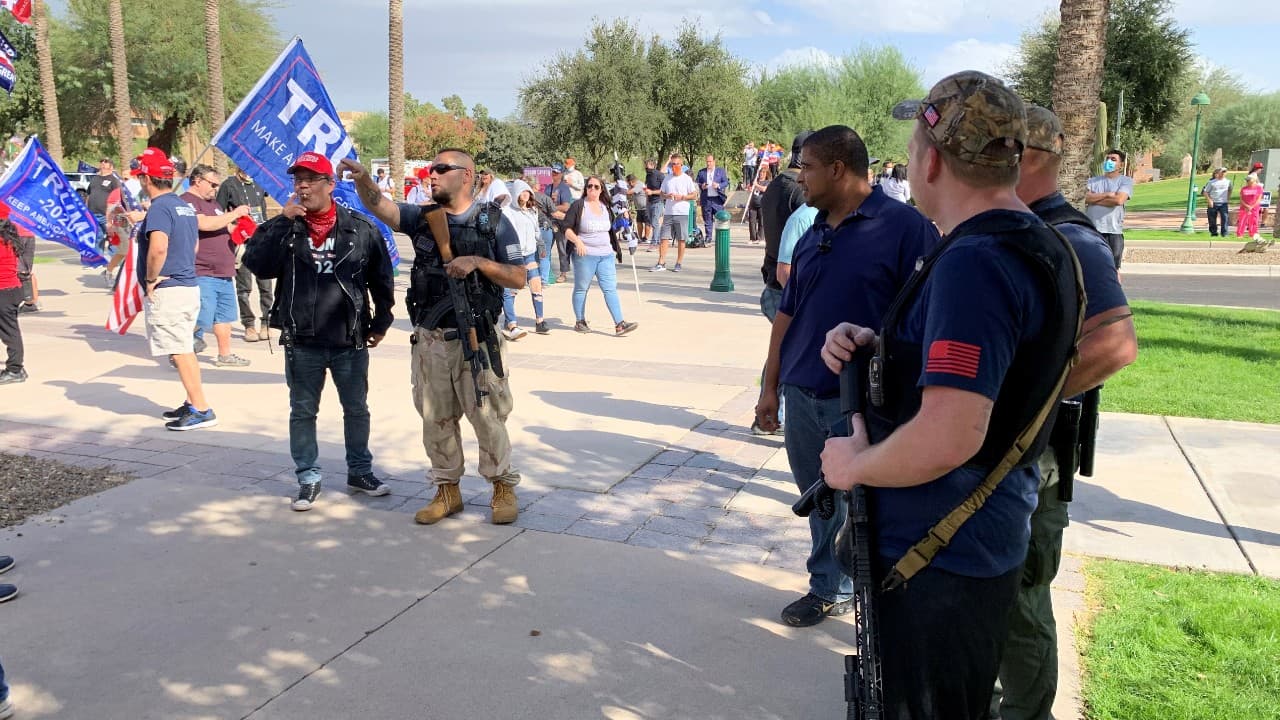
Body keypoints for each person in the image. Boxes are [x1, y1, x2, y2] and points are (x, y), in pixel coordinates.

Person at [819, 71, 1082, 719]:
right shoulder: (1038, 242)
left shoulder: (977, 261)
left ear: (931, 160)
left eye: (911, 147)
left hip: (938, 558)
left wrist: (853, 467)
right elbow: (1003, 369)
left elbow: (952, 433)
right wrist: (885, 346)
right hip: (965, 546)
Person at [753, 125, 939, 629]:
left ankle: (877, 595)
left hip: (860, 401)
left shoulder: (905, 228)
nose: (799, 176)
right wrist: (770, 387)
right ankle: (827, 588)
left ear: (837, 169)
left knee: (867, 505)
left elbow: (925, 318)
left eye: (806, 166)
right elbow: (787, 316)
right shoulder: (814, 230)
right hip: (801, 391)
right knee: (819, 501)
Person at [991, 104, 1137, 720]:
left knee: (1021, 599)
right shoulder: (1013, 229)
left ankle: (1027, 712)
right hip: (1007, 450)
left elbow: (1114, 346)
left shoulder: (1070, 238)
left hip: (1037, 456)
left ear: (1027, 159)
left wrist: (1019, 401)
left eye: (993, 150)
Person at [344, 149, 527, 526]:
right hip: (431, 340)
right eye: (431, 169)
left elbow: (519, 277)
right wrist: (363, 178)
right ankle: (447, 491)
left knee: (488, 416)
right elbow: (382, 208)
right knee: (435, 419)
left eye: (442, 169)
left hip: (477, 338)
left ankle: (502, 487)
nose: (433, 175)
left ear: (466, 176)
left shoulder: (492, 221)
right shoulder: (423, 217)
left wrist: (477, 263)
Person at [243, 152, 395, 512]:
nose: (303, 186)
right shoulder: (286, 227)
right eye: (298, 180)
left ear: (330, 185)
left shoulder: (360, 228)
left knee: (356, 409)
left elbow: (382, 279)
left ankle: (360, 472)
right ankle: (308, 478)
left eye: (312, 179)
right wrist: (281, 223)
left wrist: (382, 322)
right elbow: (257, 265)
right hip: (302, 340)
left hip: (349, 338)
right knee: (302, 411)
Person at [135, 148, 218, 431]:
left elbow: (158, 247)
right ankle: (192, 402)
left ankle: (201, 408)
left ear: (146, 178)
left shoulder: (159, 207)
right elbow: (193, 245)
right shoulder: (183, 205)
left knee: (179, 350)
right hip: (187, 283)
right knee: (184, 348)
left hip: (170, 288)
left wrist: (150, 279)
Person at [183, 164, 252, 367]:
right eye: (212, 184)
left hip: (223, 271)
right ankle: (183, 354)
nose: (215, 189)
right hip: (203, 270)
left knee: (224, 316)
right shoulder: (187, 202)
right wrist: (235, 213)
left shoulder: (213, 203)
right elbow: (204, 224)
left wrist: (242, 228)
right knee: (200, 316)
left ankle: (225, 354)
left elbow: (225, 226)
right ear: (197, 181)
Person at [564, 175, 638, 336]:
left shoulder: (606, 207)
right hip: (585, 255)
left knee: (610, 289)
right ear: (585, 188)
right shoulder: (578, 206)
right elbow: (567, 228)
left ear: (601, 189)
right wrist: (577, 242)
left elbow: (612, 227)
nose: (592, 189)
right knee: (581, 288)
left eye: (596, 187)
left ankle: (620, 324)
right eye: (589, 186)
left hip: (606, 255)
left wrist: (623, 220)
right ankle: (580, 320)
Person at [217, 165, 274, 343]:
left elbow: (262, 210)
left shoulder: (259, 184)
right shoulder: (229, 184)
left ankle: (266, 322)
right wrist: (230, 225)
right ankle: (249, 324)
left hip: (261, 241)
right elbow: (219, 211)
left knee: (266, 286)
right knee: (244, 287)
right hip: (241, 241)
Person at [499, 179, 546, 338]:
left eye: (528, 192)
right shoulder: (509, 211)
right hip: (514, 254)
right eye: (522, 191)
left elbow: (536, 231)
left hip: (530, 253)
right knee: (512, 289)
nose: (525, 195)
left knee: (536, 285)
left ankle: (540, 320)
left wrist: (541, 245)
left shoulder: (533, 210)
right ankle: (510, 320)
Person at [1085, 149, 1133, 269]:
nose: (1109, 161)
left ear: (1121, 165)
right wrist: (1107, 195)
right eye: (1107, 159)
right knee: (1091, 267)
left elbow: (1118, 200)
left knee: (1113, 269)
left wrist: (1095, 199)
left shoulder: (1125, 181)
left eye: (1113, 159)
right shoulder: (1092, 181)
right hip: (1093, 230)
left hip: (1113, 232)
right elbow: (1085, 198)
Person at [651, 154, 697, 272]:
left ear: (681, 165)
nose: (674, 166)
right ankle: (661, 262)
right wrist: (667, 195)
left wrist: (682, 197)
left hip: (682, 212)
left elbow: (694, 195)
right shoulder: (667, 178)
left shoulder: (686, 179)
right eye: (672, 164)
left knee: (681, 239)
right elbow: (662, 193)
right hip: (669, 212)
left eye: (676, 164)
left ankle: (679, 263)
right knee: (664, 237)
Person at [0, 213, 28, 385]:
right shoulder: (9, 239)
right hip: (12, 290)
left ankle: (15, 369)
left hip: (4, 292)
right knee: (9, 331)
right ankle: (15, 367)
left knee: (10, 333)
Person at [696, 154, 731, 243]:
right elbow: (697, 183)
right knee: (707, 219)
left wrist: (719, 185)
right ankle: (708, 237)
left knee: (720, 218)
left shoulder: (720, 171)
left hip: (717, 199)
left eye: (710, 161)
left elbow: (726, 182)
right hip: (706, 199)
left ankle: (721, 237)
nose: (708, 163)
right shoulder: (701, 172)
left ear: (714, 162)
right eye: (707, 161)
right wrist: (702, 186)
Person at [548, 165, 574, 284]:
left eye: (556, 172)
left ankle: (563, 273)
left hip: (561, 221)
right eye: (553, 172)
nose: (554, 174)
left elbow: (566, 206)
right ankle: (546, 273)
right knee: (545, 247)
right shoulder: (548, 187)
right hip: (548, 221)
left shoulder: (564, 188)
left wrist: (551, 208)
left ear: (561, 174)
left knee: (562, 248)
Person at [86, 157, 121, 233]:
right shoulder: (94, 178)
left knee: (112, 237)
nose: (103, 163)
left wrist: (113, 215)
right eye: (101, 161)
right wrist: (86, 210)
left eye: (106, 162)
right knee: (98, 239)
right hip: (93, 214)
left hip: (106, 215)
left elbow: (117, 198)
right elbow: (89, 194)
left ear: (111, 167)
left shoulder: (114, 180)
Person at [1202, 167, 1232, 237]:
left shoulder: (1228, 182)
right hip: (1213, 203)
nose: (1223, 173)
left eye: (1225, 172)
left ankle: (1224, 233)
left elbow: (1230, 190)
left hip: (1223, 203)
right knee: (1212, 219)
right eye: (1222, 172)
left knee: (1225, 218)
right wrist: (1209, 200)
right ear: (1218, 173)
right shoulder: (1211, 182)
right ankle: (1214, 233)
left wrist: (1228, 198)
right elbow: (1205, 192)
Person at [643, 158, 665, 250]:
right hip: (650, 202)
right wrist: (647, 200)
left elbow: (663, 190)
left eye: (647, 165)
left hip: (658, 202)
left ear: (653, 165)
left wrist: (652, 192)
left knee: (655, 223)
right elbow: (647, 188)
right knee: (652, 222)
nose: (646, 167)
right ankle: (658, 240)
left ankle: (654, 243)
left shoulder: (659, 175)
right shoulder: (648, 176)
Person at [746, 163, 772, 244]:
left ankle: (761, 238)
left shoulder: (767, 182)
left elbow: (764, 189)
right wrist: (749, 189)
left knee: (762, 222)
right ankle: (753, 238)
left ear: (766, 174)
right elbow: (750, 191)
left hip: (762, 204)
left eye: (763, 173)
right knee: (751, 221)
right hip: (752, 204)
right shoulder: (755, 181)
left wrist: (756, 185)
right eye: (761, 172)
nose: (761, 174)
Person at [1237, 173, 1264, 239]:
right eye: (1247, 180)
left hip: (1254, 208)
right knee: (1242, 221)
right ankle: (1240, 234)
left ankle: (1253, 234)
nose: (1247, 181)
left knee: (1253, 221)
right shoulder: (1244, 188)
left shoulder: (1259, 188)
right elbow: (1241, 199)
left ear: (1254, 180)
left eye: (1249, 180)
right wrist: (1246, 206)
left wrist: (1252, 206)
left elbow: (1259, 199)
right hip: (1244, 208)